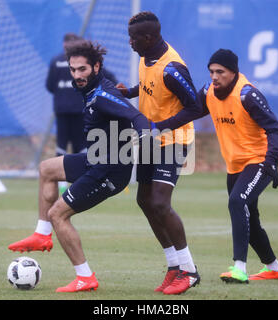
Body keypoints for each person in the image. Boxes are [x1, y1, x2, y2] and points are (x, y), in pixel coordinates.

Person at [8, 39, 150, 292]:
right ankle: (42, 235)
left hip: (109, 171)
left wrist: (144, 135)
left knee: (58, 214)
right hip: (95, 159)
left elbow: (136, 117)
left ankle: (85, 277)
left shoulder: (104, 95)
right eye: (72, 70)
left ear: (96, 67)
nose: (76, 75)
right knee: (46, 169)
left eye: (82, 69)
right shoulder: (90, 89)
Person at [117, 11, 201, 295]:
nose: (129, 42)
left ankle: (189, 271)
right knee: (144, 200)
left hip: (174, 140)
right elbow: (148, 86)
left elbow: (196, 107)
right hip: (151, 140)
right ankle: (174, 266)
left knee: (160, 203)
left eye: (134, 38)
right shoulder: (146, 56)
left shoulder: (173, 68)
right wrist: (128, 92)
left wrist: (161, 126)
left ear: (149, 38)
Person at [196, 49, 278, 283]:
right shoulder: (209, 92)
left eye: (220, 72)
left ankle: (239, 268)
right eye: (211, 71)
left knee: (237, 202)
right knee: (250, 221)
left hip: (258, 162)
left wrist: (271, 163)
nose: (214, 76)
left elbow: (275, 130)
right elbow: (189, 110)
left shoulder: (247, 95)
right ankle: (275, 269)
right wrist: (156, 123)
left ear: (233, 72)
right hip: (234, 166)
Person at [46, 33, 118, 192]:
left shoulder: (56, 60)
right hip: (80, 109)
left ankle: (61, 181)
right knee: (82, 146)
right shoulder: (83, 62)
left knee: (62, 144)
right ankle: (80, 181)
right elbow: (109, 78)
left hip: (63, 109)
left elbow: (50, 86)